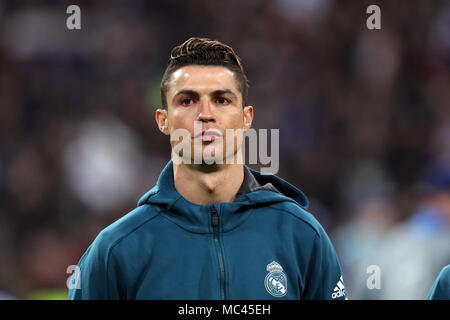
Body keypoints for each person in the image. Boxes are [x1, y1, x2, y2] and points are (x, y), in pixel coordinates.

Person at [68, 37, 347, 300]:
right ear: (163, 120)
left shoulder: (301, 236)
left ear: (246, 118)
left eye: (222, 100)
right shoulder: (117, 251)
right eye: (187, 100)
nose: (205, 114)